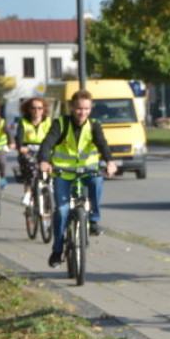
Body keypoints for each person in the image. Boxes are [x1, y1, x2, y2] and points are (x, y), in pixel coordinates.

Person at [38, 90, 119, 268]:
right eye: (79, 108)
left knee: (98, 180)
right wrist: (44, 160)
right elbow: (47, 143)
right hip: (63, 173)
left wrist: (110, 162)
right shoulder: (60, 124)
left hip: (87, 170)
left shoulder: (94, 125)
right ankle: (58, 250)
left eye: (86, 109)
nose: (82, 113)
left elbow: (102, 144)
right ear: (72, 108)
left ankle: (93, 220)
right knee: (62, 210)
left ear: (90, 109)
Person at [15, 96, 53, 206]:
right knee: (31, 167)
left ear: (44, 109)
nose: (37, 111)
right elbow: (19, 137)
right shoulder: (24, 122)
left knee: (54, 166)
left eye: (39, 108)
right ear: (28, 109)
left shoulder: (49, 122)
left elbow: (54, 137)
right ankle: (28, 193)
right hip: (29, 151)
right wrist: (21, 146)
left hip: (45, 149)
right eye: (33, 108)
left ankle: (50, 189)